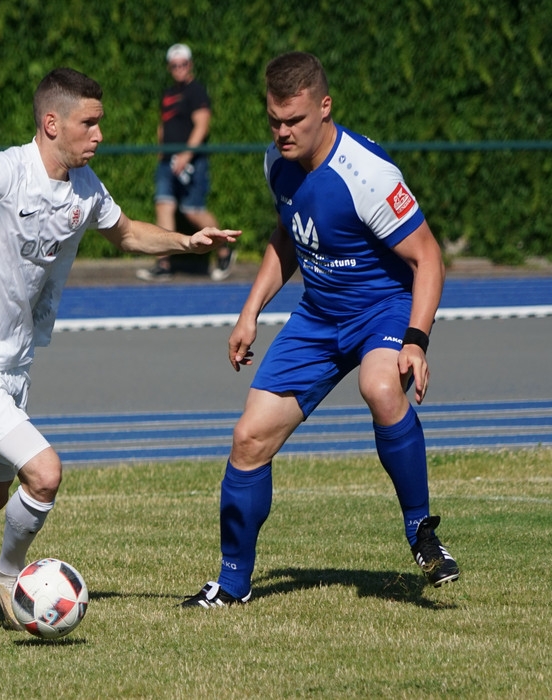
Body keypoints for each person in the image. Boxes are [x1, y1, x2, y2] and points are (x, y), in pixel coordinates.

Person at [0, 67, 241, 627]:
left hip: (13, 365)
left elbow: (127, 233)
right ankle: (7, 578)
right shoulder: (5, 170)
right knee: (44, 473)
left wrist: (186, 242)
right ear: (52, 123)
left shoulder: (84, 187)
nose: (99, 135)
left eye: (100, 123)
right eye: (88, 123)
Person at [181, 52, 459, 609]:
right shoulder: (277, 161)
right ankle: (232, 584)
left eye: (295, 121)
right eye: (274, 121)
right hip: (318, 316)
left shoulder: (368, 175)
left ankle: (422, 533)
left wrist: (415, 340)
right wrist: (250, 311)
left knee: (380, 387)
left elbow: (428, 257)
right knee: (248, 439)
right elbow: (289, 236)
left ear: (325, 107)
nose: (283, 132)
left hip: (383, 309)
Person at [137, 43, 236, 282]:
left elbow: (202, 125)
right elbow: (164, 125)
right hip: (167, 161)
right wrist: (162, 152)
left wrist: (186, 155)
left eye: (183, 64)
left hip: (192, 162)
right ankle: (164, 263)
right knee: (163, 206)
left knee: (193, 210)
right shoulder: (168, 93)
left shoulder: (196, 91)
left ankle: (224, 250)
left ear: (190, 65)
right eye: (174, 65)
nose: (179, 68)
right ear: (169, 67)